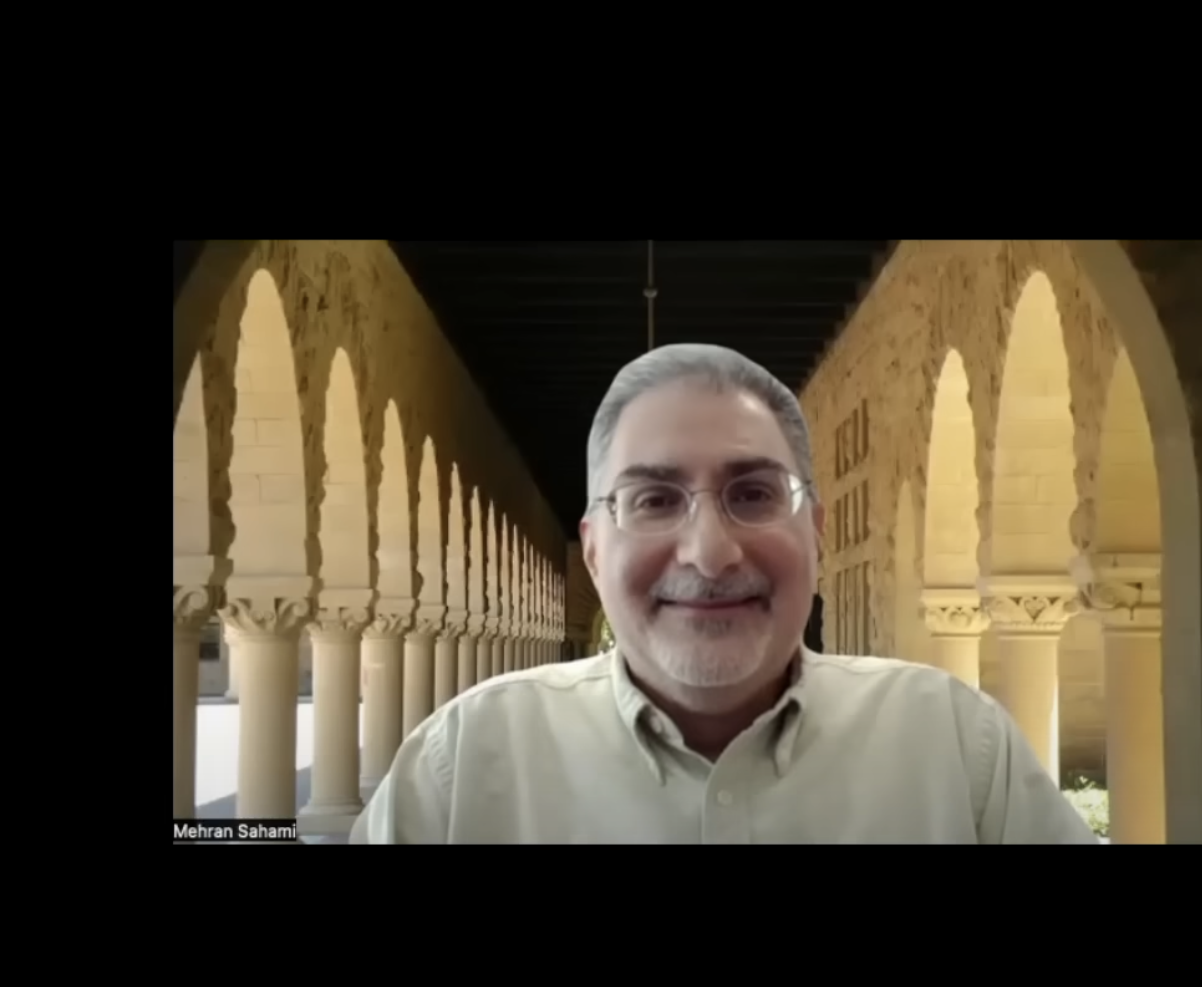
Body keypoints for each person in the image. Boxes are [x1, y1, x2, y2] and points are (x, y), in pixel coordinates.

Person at [353, 343, 1098, 844]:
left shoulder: (956, 749)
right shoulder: (463, 766)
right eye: (652, 500)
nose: (709, 554)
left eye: (754, 492)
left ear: (817, 532)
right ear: (592, 548)